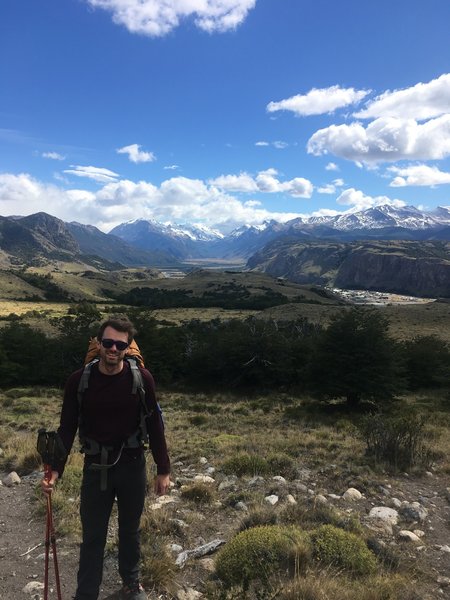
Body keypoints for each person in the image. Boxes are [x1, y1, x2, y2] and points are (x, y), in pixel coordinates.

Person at [41, 317, 171, 600]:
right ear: (99, 344)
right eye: (108, 343)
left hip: (133, 465)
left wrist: (163, 469)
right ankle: (87, 593)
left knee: (130, 531)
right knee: (93, 537)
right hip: (95, 467)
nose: (113, 349)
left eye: (120, 344)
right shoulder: (79, 381)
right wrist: (56, 471)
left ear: (127, 347)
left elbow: (155, 424)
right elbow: (67, 427)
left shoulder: (142, 379)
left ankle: (131, 585)